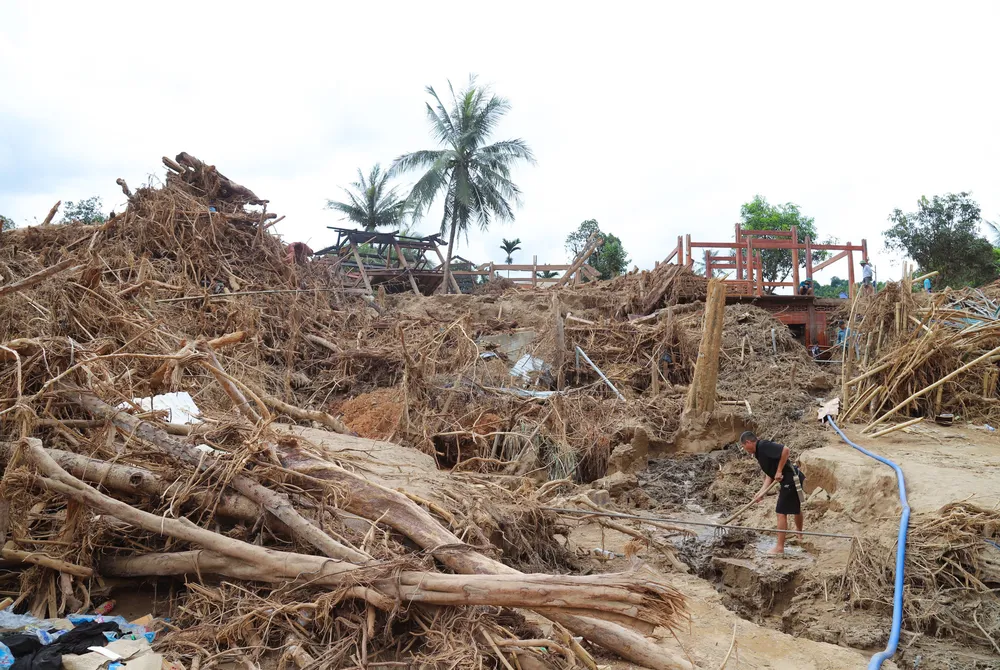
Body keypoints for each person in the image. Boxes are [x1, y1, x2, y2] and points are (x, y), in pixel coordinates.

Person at [739, 431, 806, 555]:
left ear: (748, 442)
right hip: (792, 477)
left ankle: (779, 548)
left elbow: (785, 450)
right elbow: (769, 475)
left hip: (791, 479)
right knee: (795, 507)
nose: (745, 449)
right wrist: (761, 492)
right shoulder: (759, 453)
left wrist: (779, 470)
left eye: (743, 446)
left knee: (781, 512)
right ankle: (800, 534)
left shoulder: (763, 445)